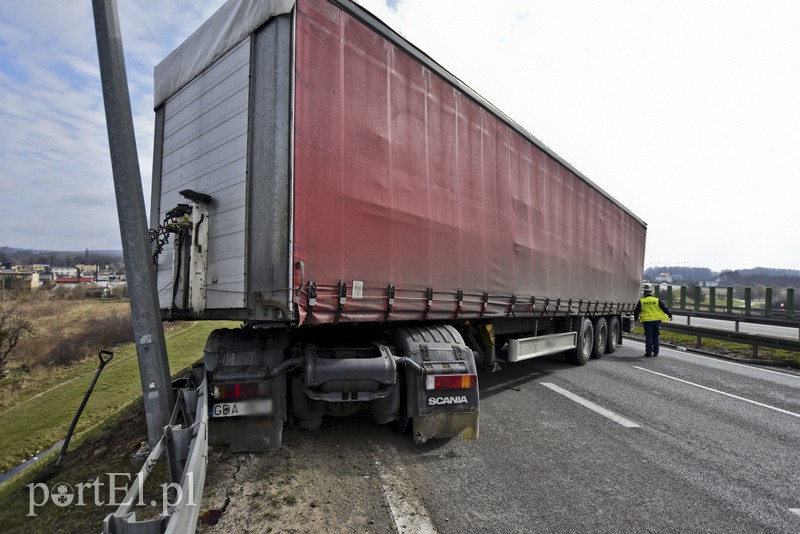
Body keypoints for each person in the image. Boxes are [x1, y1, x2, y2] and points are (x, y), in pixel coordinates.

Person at [634, 283, 673, 357]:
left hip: (647, 322)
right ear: (651, 293)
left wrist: (636, 320)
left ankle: (648, 353)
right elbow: (664, 308)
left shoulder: (642, 301)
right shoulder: (657, 300)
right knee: (655, 336)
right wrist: (670, 315)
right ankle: (656, 352)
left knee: (649, 337)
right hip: (656, 321)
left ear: (644, 294)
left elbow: (636, 311)